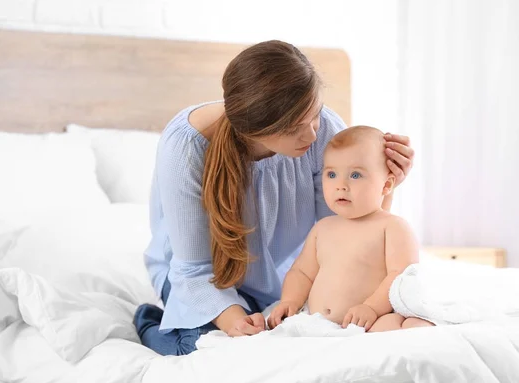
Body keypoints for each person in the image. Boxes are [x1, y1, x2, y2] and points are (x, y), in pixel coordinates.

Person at [134, 40, 415, 356]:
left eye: (316, 115)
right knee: (208, 353)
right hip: (202, 281)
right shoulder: (185, 150)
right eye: (296, 127)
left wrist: (384, 187)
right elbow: (194, 271)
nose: (312, 135)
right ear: (254, 129)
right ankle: (149, 322)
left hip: (288, 279)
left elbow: (343, 236)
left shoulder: (321, 132)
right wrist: (236, 322)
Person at [267, 126, 433, 332]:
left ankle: (420, 329)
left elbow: (401, 276)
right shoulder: (323, 228)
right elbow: (302, 272)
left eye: (355, 175)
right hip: (317, 322)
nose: (341, 185)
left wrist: (371, 308)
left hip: (370, 320)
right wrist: (290, 300)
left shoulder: (391, 226)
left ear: (386, 185)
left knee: (397, 327)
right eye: (332, 174)